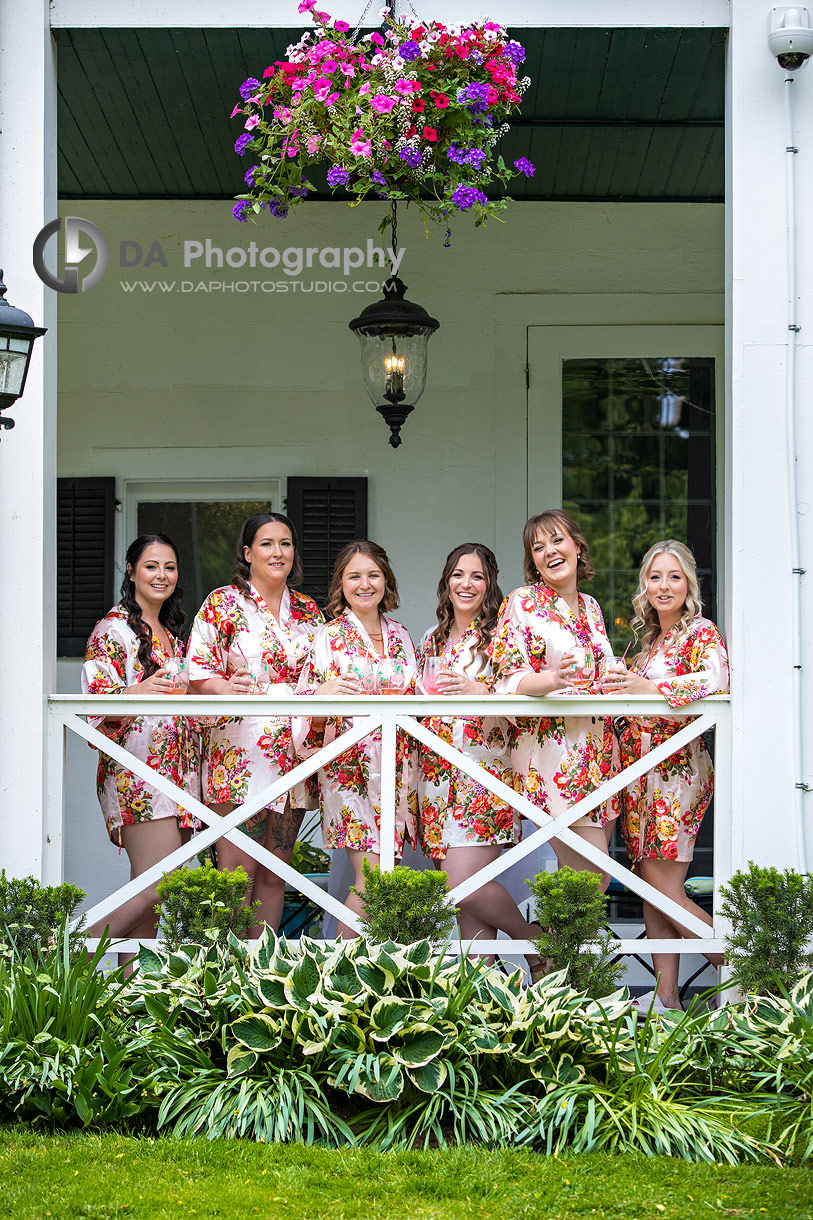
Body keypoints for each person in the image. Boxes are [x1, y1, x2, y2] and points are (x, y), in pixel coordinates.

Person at [601, 539, 729, 1011]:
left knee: (664, 885)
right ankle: (667, 998)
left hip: (676, 769)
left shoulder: (701, 633)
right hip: (637, 772)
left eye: (674, 576)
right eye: (655, 577)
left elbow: (713, 682)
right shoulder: (643, 640)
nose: (663, 586)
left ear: (689, 584)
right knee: (648, 882)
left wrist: (651, 687)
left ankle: (740, 968)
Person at [186, 512, 323, 933]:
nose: (278, 552)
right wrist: (226, 686)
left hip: (294, 755)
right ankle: (229, 979)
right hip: (238, 753)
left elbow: (320, 676)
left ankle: (262, 974)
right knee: (236, 874)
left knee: (274, 873)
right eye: (266, 543)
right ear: (247, 553)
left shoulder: (308, 610)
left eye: (285, 543)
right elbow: (197, 674)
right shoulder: (223, 603)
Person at [417, 543, 544, 968]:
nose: (466, 584)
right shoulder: (430, 641)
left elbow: (523, 700)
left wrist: (482, 692)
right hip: (436, 778)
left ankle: (538, 942)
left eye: (476, 576)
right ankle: (484, 993)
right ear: (446, 582)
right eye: (457, 574)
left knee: (463, 884)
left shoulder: (503, 637)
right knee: (466, 903)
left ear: (489, 583)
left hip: (484, 776)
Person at [82, 534, 198, 962]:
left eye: (169, 567)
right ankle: (71, 952)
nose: (161, 575)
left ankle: (131, 1003)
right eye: (151, 566)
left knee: (151, 896)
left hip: (179, 776)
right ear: (131, 571)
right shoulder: (111, 630)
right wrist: (139, 690)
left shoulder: (172, 632)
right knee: (155, 887)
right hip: (138, 776)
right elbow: (96, 709)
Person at [492, 509, 619, 890]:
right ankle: (552, 947)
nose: (550, 551)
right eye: (538, 546)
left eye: (558, 540)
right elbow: (504, 678)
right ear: (532, 560)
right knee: (595, 874)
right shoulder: (522, 602)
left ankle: (552, 949)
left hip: (599, 752)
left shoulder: (592, 607)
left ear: (578, 547)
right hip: (553, 754)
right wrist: (553, 679)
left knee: (576, 882)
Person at [296, 540, 417, 937]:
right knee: (371, 882)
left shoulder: (401, 635)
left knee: (384, 880)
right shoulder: (328, 637)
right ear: (341, 584)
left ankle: (366, 971)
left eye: (373, 575)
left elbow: (416, 701)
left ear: (386, 580)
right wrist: (322, 693)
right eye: (354, 576)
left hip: (396, 770)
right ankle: (337, 974)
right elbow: (306, 710)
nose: (364, 585)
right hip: (348, 770)